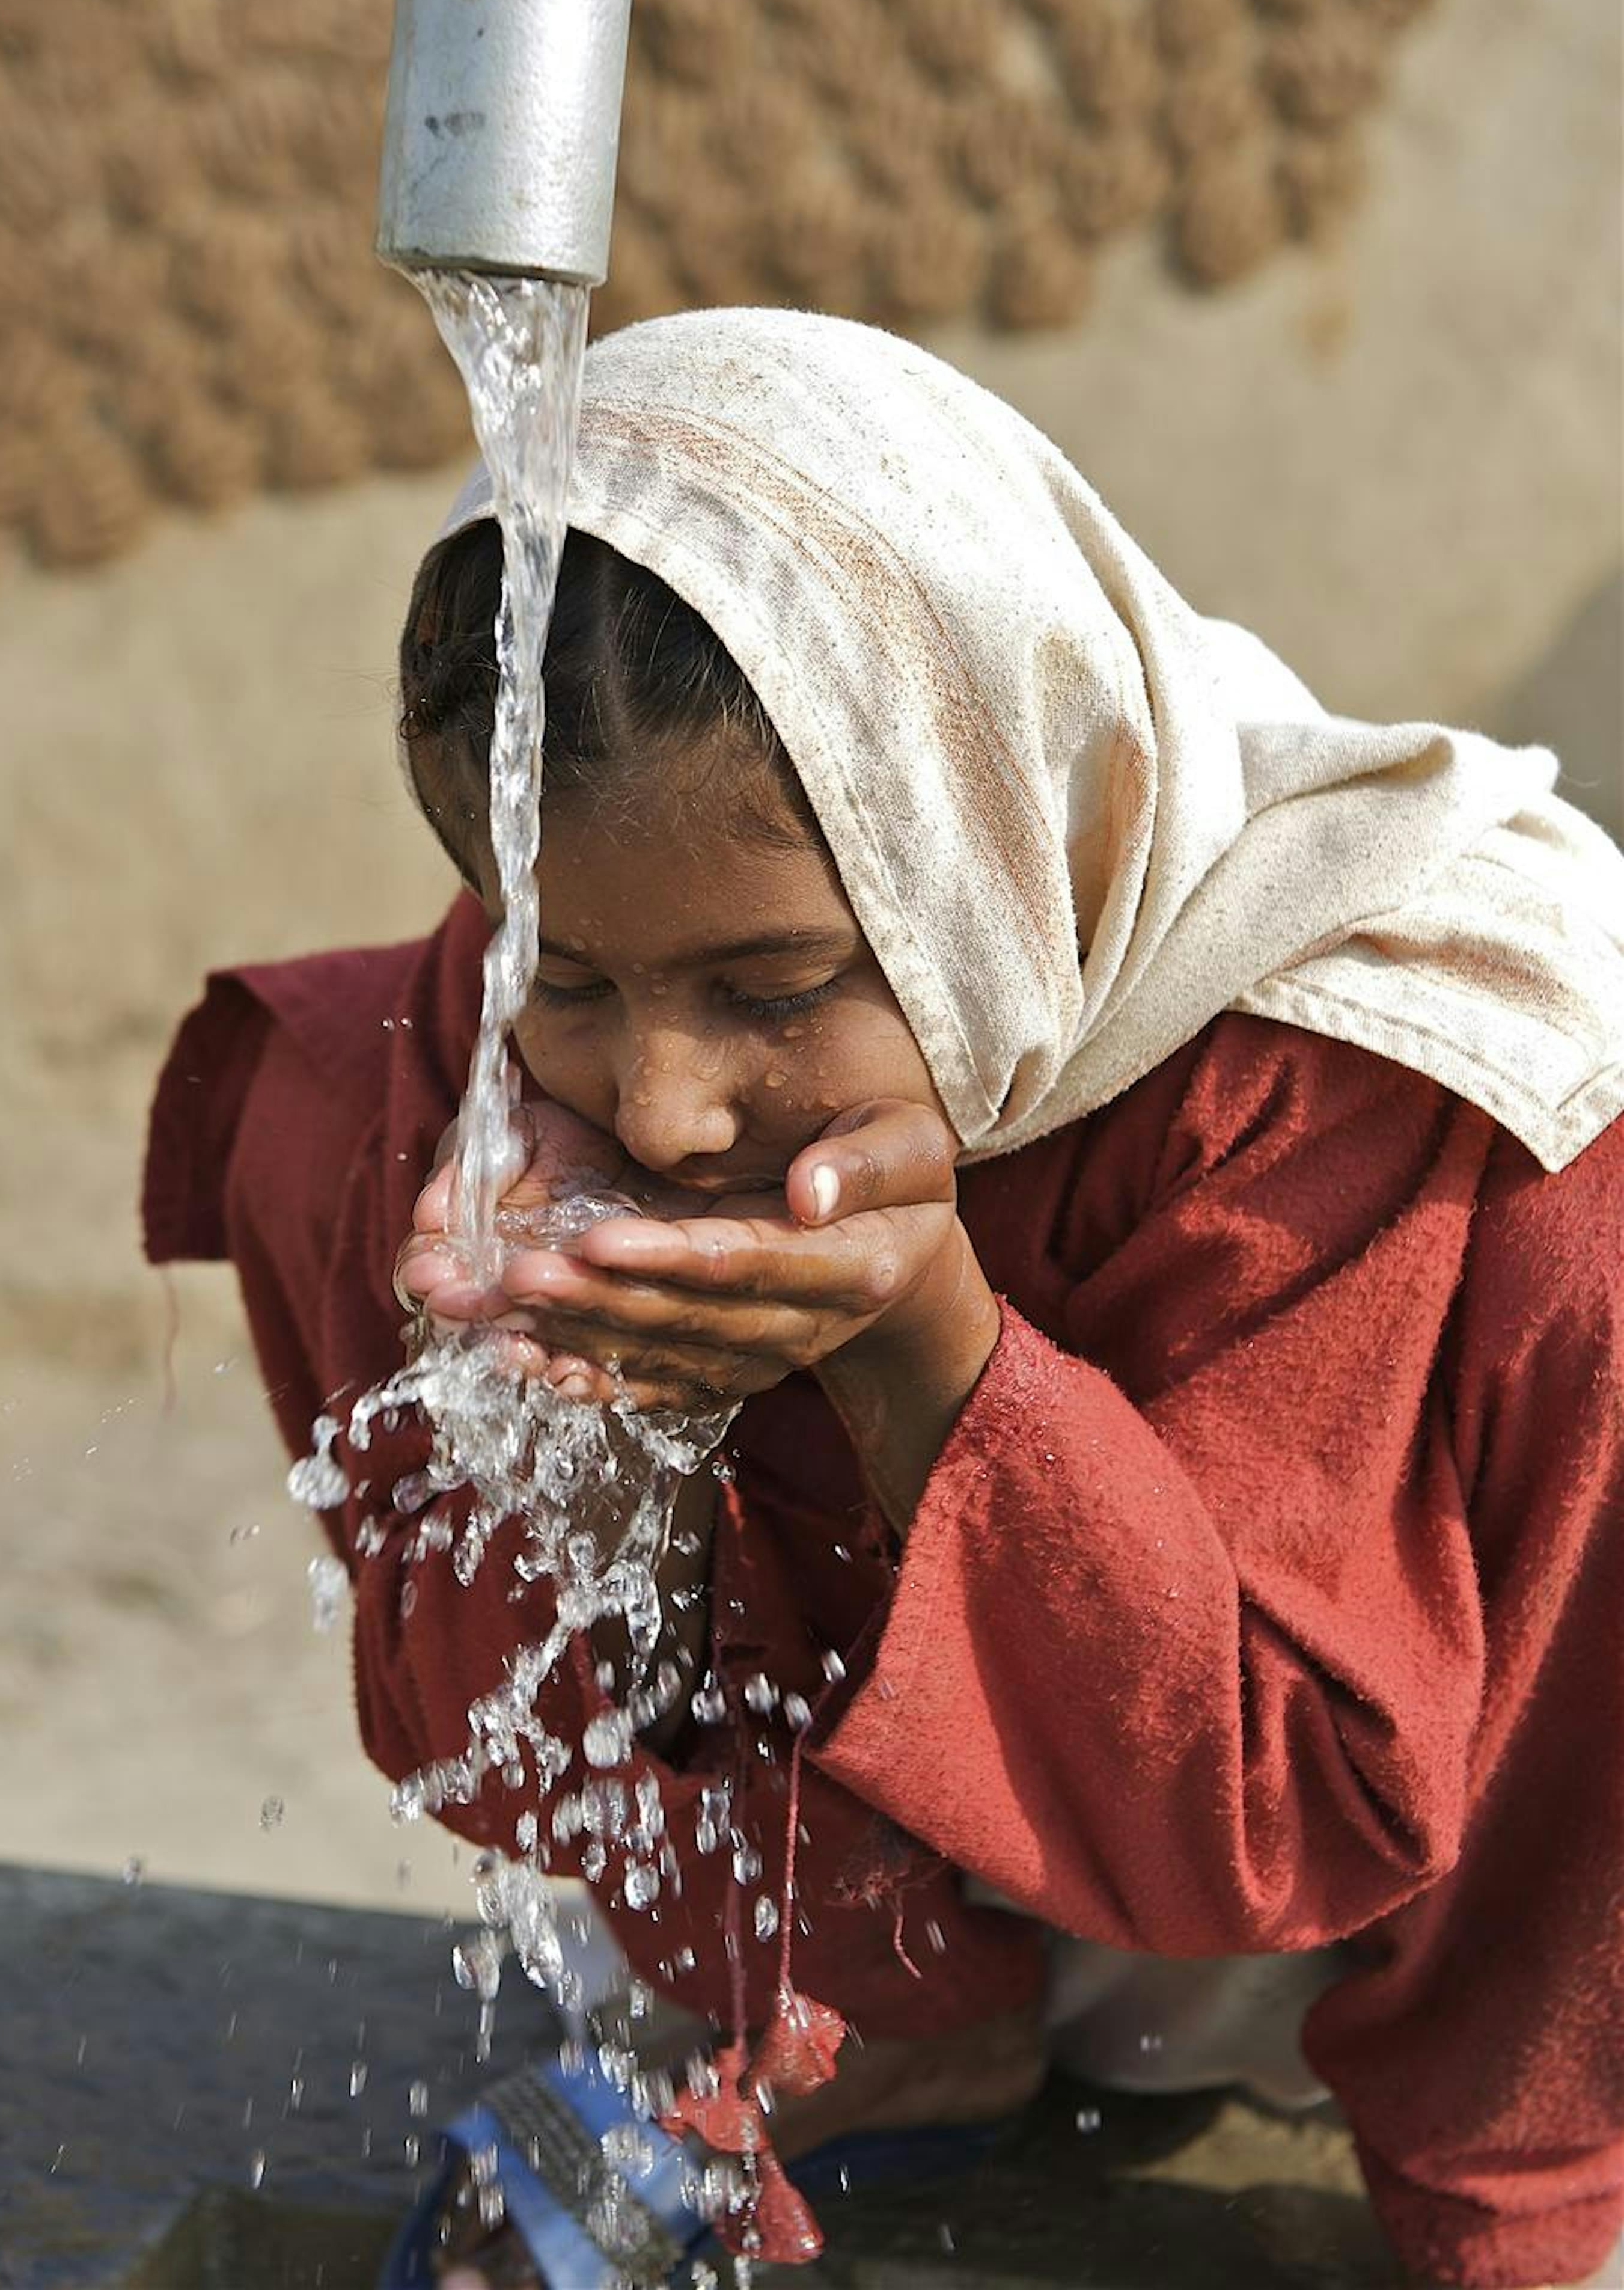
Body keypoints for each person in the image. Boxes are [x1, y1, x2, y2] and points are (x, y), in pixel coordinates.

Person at [143, 309, 1624, 2290]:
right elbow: (487, 1747)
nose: (661, 1109)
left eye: (768, 992)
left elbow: (1285, 1813)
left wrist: (930, 1348)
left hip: (1322, 1894)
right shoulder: (494, 1052)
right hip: (973, 1850)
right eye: (567, 974)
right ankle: (901, 2008)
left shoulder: (1376, 1080)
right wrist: (586, 1446)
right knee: (337, 1090)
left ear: (992, 862)